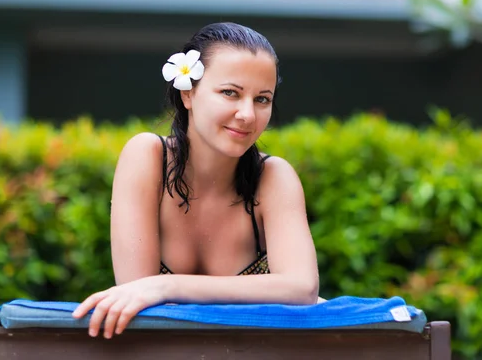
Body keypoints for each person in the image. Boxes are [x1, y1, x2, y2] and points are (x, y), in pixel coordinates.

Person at [72, 22, 320, 339]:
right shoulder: (148, 157)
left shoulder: (273, 176)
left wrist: (167, 285)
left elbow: (302, 288)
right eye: (230, 93)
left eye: (262, 99)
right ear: (188, 94)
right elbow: (136, 295)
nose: (247, 114)